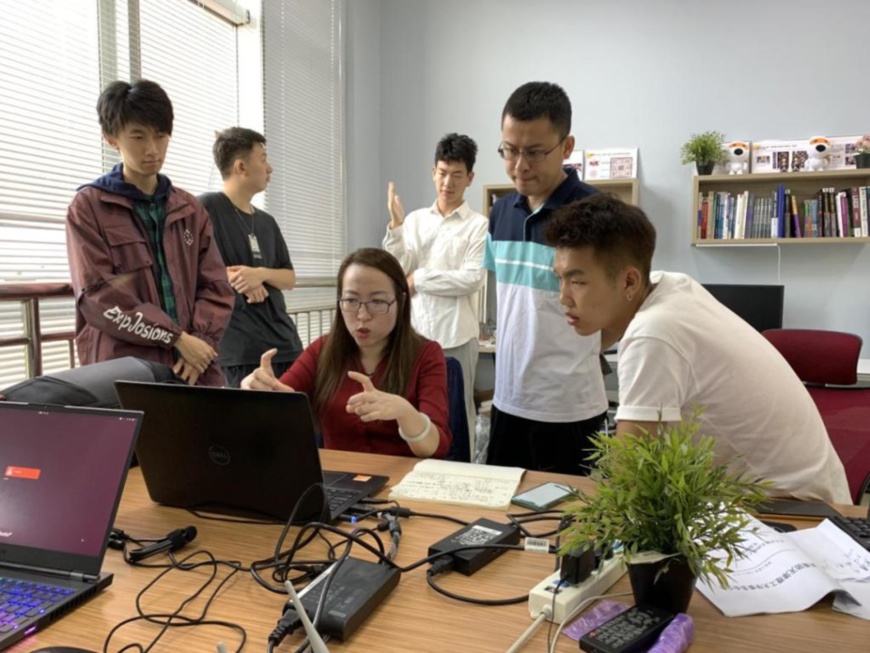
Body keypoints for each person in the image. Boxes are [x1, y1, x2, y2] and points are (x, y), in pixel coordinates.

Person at [545, 193, 850, 504]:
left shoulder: (654, 332)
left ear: (629, 282)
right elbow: (605, 329)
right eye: (560, 279)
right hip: (794, 494)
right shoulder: (671, 285)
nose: (563, 297)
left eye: (577, 282)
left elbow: (629, 478)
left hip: (793, 510)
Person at [65, 79, 233, 386]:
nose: (152, 149)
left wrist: (200, 345)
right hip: (126, 372)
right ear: (111, 138)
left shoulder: (190, 208)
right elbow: (97, 296)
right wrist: (177, 339)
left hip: (193, 368)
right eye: (138, 136)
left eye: (160, 135)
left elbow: (216, 285)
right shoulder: (89, 207)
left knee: (205, 433)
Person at [483, 81, 607, 473]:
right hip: (507, 402)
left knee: (570, 526)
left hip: (569, 410)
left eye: (535, 152)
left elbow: (617, 311)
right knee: (502, 520)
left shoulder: (597, 214)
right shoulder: (500, 213)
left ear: (566, 147)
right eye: (509, 150)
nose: (520, 165)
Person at [243, 248, 451, 459]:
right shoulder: (323, 350)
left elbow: (435, 448)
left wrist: (405, 413)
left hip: (402, 484)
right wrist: (260, 393)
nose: (362, 315)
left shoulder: (426, 354)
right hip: (339, 482)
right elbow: (280, 409)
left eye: (377, 302)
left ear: (401, 302)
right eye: (351, 301)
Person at [383, 133, 487, 453]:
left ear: (469, 178)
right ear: (433, 172)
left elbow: (471, 278)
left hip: (457, 335)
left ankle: (461, 474)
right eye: (442, 173)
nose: (447, 182)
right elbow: (398, 272)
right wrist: (397, 227)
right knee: (413, 411)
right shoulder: (414, 221)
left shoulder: (478, 225)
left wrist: (420, 278)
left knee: (458, 413)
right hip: (414, 335)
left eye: (457, 175)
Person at [199, 127, 303, 387]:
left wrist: (259, 274)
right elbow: (184, 270)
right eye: (263, 159)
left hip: (286, 344)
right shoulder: (205, 208)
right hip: (241, 351)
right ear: (241, 167)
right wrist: (232, 276)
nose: (270, 168)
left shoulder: (267, 222)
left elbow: (289, 278)